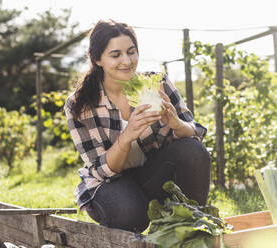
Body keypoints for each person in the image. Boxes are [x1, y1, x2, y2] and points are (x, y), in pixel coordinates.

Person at [64, 20, 210, 233]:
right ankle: (129, 215)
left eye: (131, 52)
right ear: (98, 59)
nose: (127, 61)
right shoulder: (80, 105)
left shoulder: (157, 84)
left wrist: (177, 124)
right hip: (110, 183)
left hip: (151, 174)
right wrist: (127, 136)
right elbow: (102, 171)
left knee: (193, 151)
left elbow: (195, 133)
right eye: (116, 55)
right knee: (132, 217)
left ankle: (191, 227)